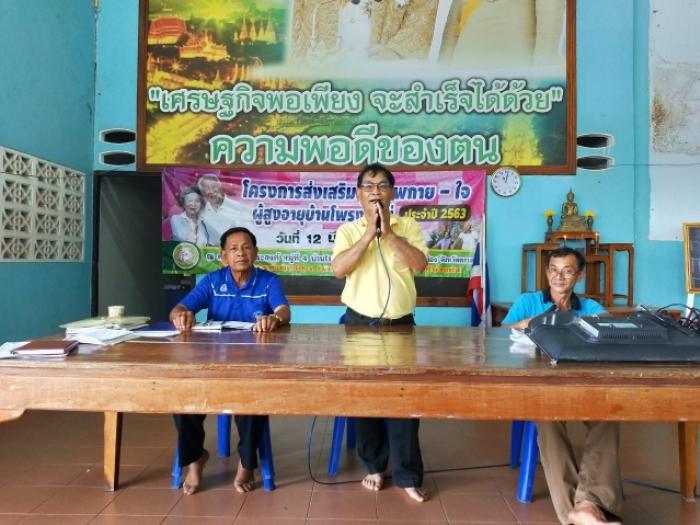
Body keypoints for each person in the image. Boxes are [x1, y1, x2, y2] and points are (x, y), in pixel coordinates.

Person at [502, 246, 622, 525]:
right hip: (540, 386)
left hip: (581, 386)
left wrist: (577, 323)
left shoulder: (588, 306)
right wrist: (529, 323)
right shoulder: (528, 301)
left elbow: (609, 326)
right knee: (548, 420)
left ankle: (586, 504)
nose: (559, 277)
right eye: (554, 270)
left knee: (608, 417)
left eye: (567, 271)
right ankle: (580, 511)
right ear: (546, 273)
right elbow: (498, 332)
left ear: (579, 276)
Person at [331, 163, 429, 502]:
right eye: (369, 186)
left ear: (392, 192)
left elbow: (419, 264)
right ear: (358, 194)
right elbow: (339, 269)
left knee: (405, 401)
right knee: (365, 399)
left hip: (400, 326)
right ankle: (374, 466)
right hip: (359, 324)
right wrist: (367, 235)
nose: (376, 192)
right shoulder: (348, 230)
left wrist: (388, 234)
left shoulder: (408, 227)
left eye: (383, 185)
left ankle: (407, 475)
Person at [169, 226, 291, 495]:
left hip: (253, 364)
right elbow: (180, 307)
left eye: (246, 247)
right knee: (183, 398)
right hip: (213, 363)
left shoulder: (268, 281)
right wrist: (180, 316)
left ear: (255, 252)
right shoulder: (213, 281)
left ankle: (247, 463)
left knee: (252, 400)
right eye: (234, 249)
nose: (241, 253)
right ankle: (195, 459)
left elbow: (283, 310)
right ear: (223, 256)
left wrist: (274, 318)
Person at [290, 0, 438, 65]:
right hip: (323, 64)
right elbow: (298, 15)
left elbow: (422, 13)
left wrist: (397, 51)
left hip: (381, 70)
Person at [440, 0, 566, 68]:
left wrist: (540, 73)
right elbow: (452, 29)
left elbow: (550, 17)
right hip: (463, 69)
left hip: (513, 69)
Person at [197, 173, 251, 242]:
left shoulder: (236, 207)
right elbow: (201, 237)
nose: (211, 191)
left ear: (219, 187)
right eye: (207, 188)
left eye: (214, 187)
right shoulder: (201, 212)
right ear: (202, 192)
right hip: (212, 248)